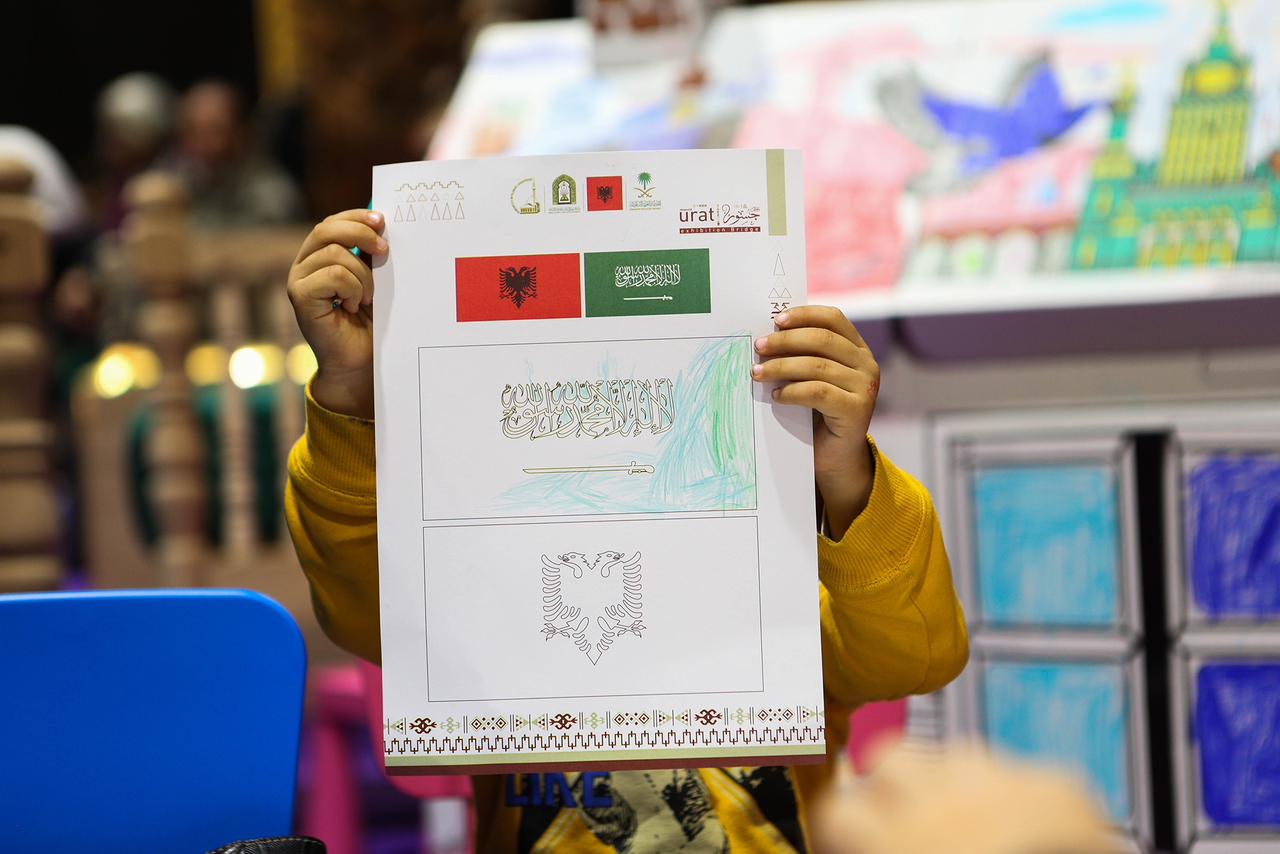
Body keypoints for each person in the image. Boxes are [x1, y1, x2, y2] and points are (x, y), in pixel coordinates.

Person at [284, 208, 969, 853]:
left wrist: (846, 476)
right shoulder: (489, 593)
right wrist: (351, 390)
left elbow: (917, 658)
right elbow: (368, 612)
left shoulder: (779, 586)